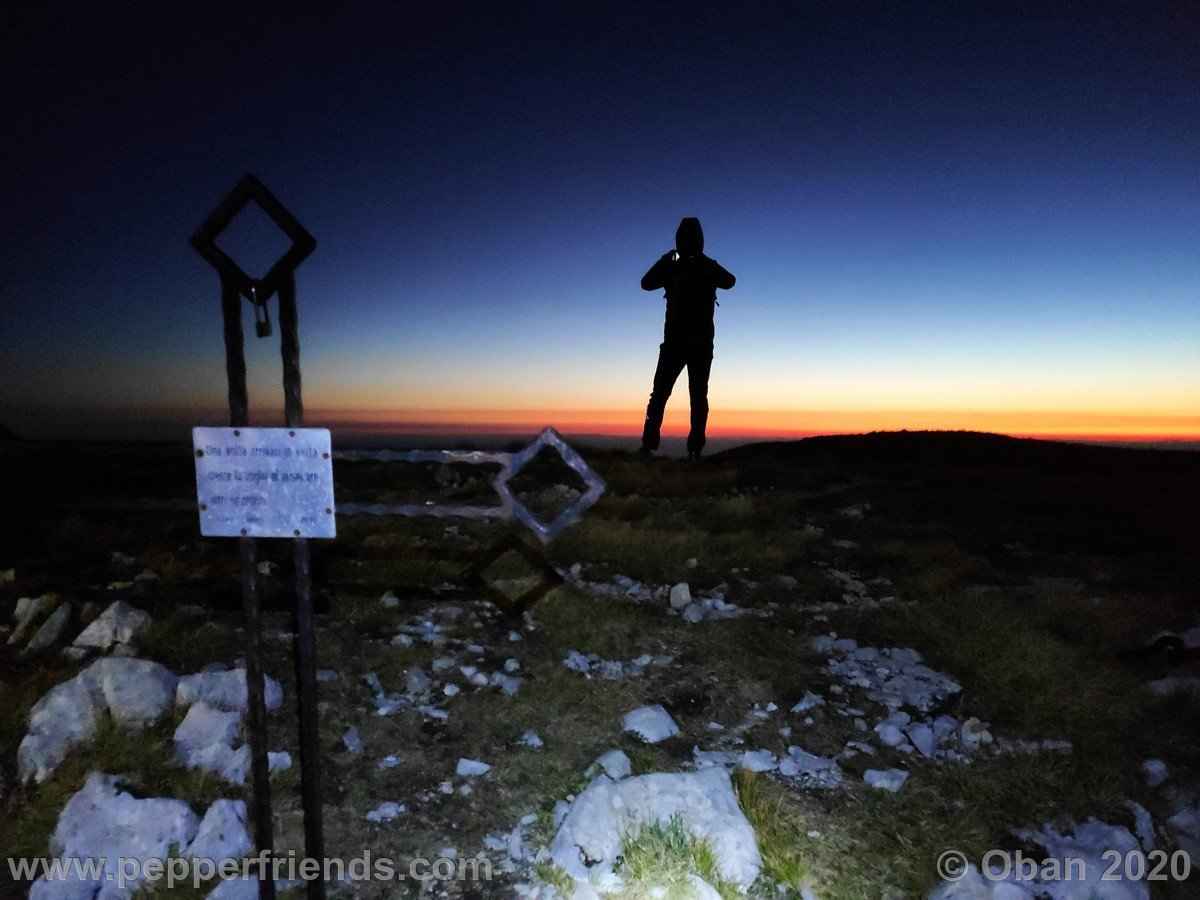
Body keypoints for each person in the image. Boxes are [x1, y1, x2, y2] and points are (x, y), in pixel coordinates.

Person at [639, 216, 735, 459]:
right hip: (698, 344)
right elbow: (729, 281)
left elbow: (646, 283)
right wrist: (701, 262)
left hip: (677, 342)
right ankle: (694, 450)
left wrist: (668, 259)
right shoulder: (700, 266)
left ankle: (650, 447)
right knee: (696, 397)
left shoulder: (674, 265)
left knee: (661, 394)